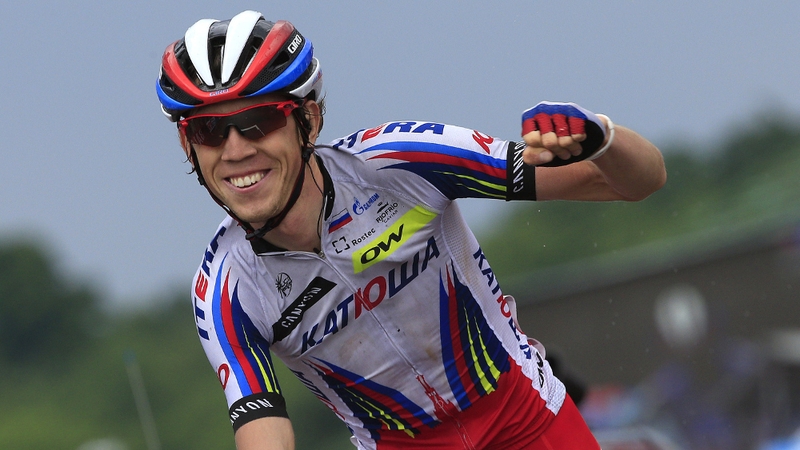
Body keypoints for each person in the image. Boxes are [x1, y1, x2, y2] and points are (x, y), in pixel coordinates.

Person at [156, 10, 666, 450]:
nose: (236, 150)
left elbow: (637, 182)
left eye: (258, 122)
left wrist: (603, 139)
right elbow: (263, 430)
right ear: (187, 147)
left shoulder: (401, 162)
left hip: (527, 421)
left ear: (308, 120)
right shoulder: (227, 287)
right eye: (207, 130)